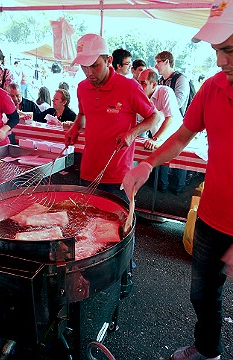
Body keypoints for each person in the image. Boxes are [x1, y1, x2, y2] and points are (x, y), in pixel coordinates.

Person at [122, 1, 233, 358]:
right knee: (203, 296)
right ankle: (207, 350)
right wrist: (147, 164)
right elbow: (182, 136)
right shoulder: (214, 87)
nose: (219, 61)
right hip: (211, 220)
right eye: (216, 51)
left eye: (229, 50)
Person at [65, 33, 159, 298]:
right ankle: (94, 275)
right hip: (89, 169)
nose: (89, 73)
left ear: (108, 60)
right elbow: (83, 114)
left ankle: (125, 272)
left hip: (118, 172)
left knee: (121, 229)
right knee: (87, 225)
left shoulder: (129, 87)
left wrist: (133, 133)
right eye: (84, 66)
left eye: (94, 65)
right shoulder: (83, 87)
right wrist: (74, 128)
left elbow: (155, 116)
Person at [137, 68, 183, 193]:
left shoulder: (165, 92)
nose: (139, 86)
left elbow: (170, 119)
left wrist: (155, 138)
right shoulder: (141, 96)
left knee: (179, 170)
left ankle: (177, 194)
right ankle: (160, 191)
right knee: (160, 170)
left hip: (177, 135)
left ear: (154, 84)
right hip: (157, 136)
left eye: (143, 83)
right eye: (138, 82)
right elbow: (141, 120)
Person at [155, 50, 189, 193]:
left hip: (178, 124)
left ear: (167, 61)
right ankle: (162, 185)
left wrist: (162, 107)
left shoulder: (181, 79)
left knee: (179, 153)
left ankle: (179, 188)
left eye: (158, 62)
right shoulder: (160, 81)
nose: (156, 66)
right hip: (163, 122)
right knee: (162, 152)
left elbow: (179, 103)